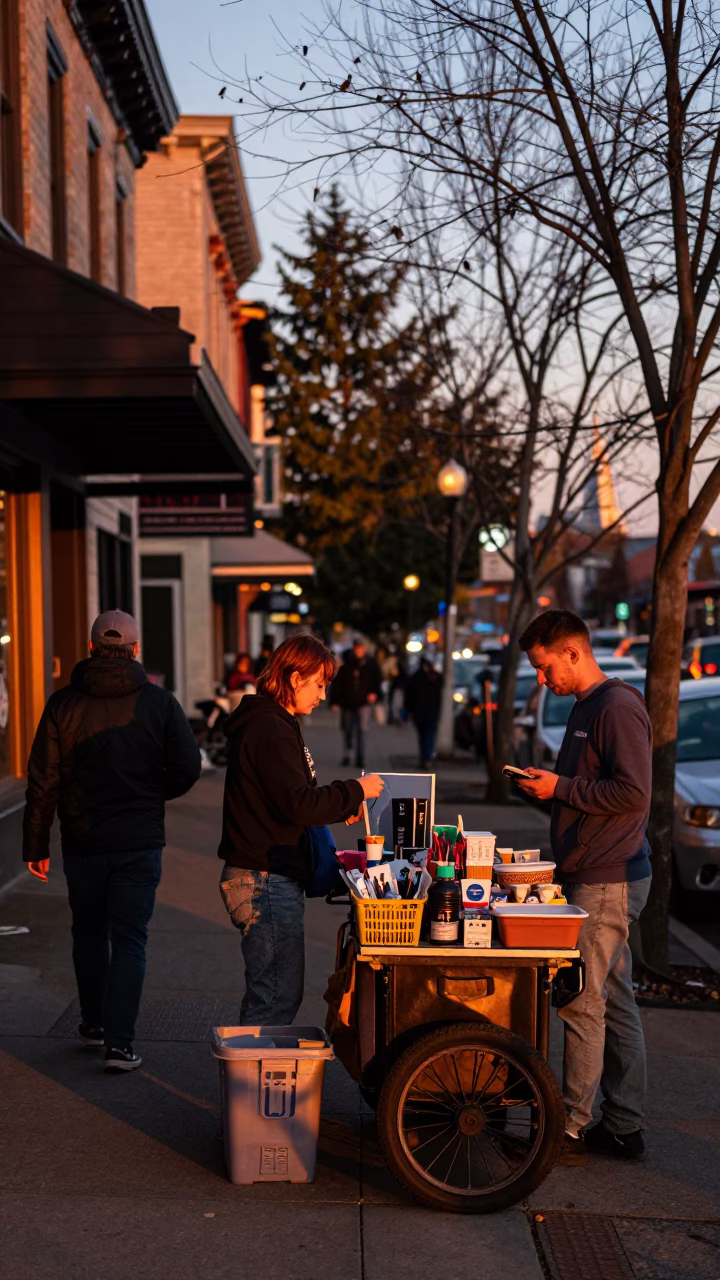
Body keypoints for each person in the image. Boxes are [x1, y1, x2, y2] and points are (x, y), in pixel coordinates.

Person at [23, 610, 201, 1072]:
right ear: (136, 650)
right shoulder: (159, 703)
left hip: (83, 839)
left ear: (90, 648)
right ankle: (119, 1045)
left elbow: (44, 779)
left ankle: (93, 1024)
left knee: (88, 931)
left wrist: (35, 845)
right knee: (129, 941)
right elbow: (187, 768)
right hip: (138, 840)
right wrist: (149, 794)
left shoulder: (62, 704)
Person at [516, 609, 652, 1165]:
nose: (543, 681)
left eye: (546, 668)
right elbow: (587, 789)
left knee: (580, 1002)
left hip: (607, 879)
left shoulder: (616, 707)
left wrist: (562, 787)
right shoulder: (586, 707)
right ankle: (623, 1126)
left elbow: (633, 793)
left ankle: (569, 1125)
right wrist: (549, 789)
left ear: (573, 652)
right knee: (613, 1003)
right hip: (597, 874)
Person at [217, 634, 384, 1025]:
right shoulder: (269, 728)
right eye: (319, 684)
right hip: (264, 878)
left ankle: (252, 1080)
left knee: (274, 993)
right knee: (275, 996)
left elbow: (290, 798)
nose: (323, 695)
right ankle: (253, 1083)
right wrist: (355, 789)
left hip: (267, 874)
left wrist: (338, 803)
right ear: (295, 678)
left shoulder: (276, 723)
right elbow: (297, 802)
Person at [329, 637, 383, 767]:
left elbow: (377, 681)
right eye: (357, 648)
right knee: (347, 729)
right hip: (347, 702)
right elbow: (337, 684)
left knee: (362, 730)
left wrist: (375, 694)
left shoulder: (370, 664)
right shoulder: (346, 664)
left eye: (361, 648)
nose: (359, 650)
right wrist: (334, 702)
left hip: (364, 702)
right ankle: (347, 752)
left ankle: (360, 757)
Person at [404, 655, 441, 768]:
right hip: (429, 712)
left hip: (420, 713)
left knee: (424, 736)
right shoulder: (434, 677)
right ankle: (427, 758)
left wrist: (409, 710)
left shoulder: (417, 677)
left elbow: (409, 696)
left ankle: (425, 758)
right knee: (428, 736)